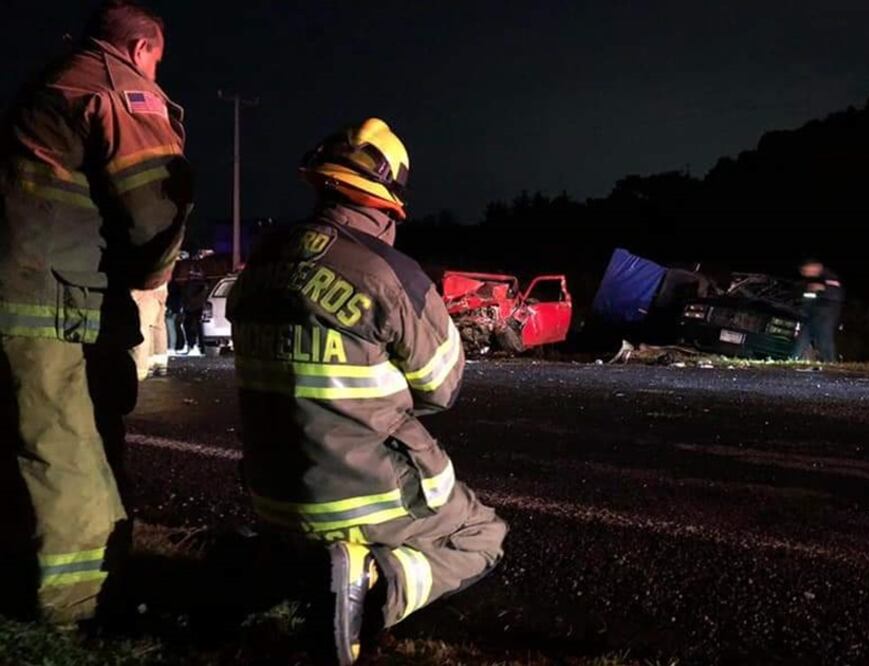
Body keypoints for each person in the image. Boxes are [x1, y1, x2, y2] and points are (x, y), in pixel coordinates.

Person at [227, 118, 506, 664]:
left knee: (303, 544)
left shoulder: (259, 264)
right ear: (388, 202)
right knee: (483, 535)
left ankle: (290, 563)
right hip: (362, 491)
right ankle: (379, 582)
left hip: (272, 490)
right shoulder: (391, 274)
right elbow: (443, 387)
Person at [0, 1, 192, 625]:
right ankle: (82, 606)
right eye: (157, 62)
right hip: (57, 303)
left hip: (27, 291)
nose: (156, 76)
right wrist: (153, 278)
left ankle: (26, 570)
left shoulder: (48, 83)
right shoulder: (118, 90)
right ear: (140, 50)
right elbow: (155, 209)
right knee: (71, 449)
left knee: (27, 440)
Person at [790, 258, 844, 363]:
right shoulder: (811, 280)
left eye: (807, 271)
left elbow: (836, 294)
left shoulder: (829, 276)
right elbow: (806, 298)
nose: (806, 274)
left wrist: (823, 288)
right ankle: (792, 360)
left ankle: (831, 363)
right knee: (802, 339)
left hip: (826, 315)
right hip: (812, 316)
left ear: (815, 266)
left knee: (824, 340)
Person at [131, 281, 169, 379]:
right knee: (156, 329)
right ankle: (158, 364)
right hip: (159, 291)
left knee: (143, 329)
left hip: (144, 292)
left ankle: (141, 368)